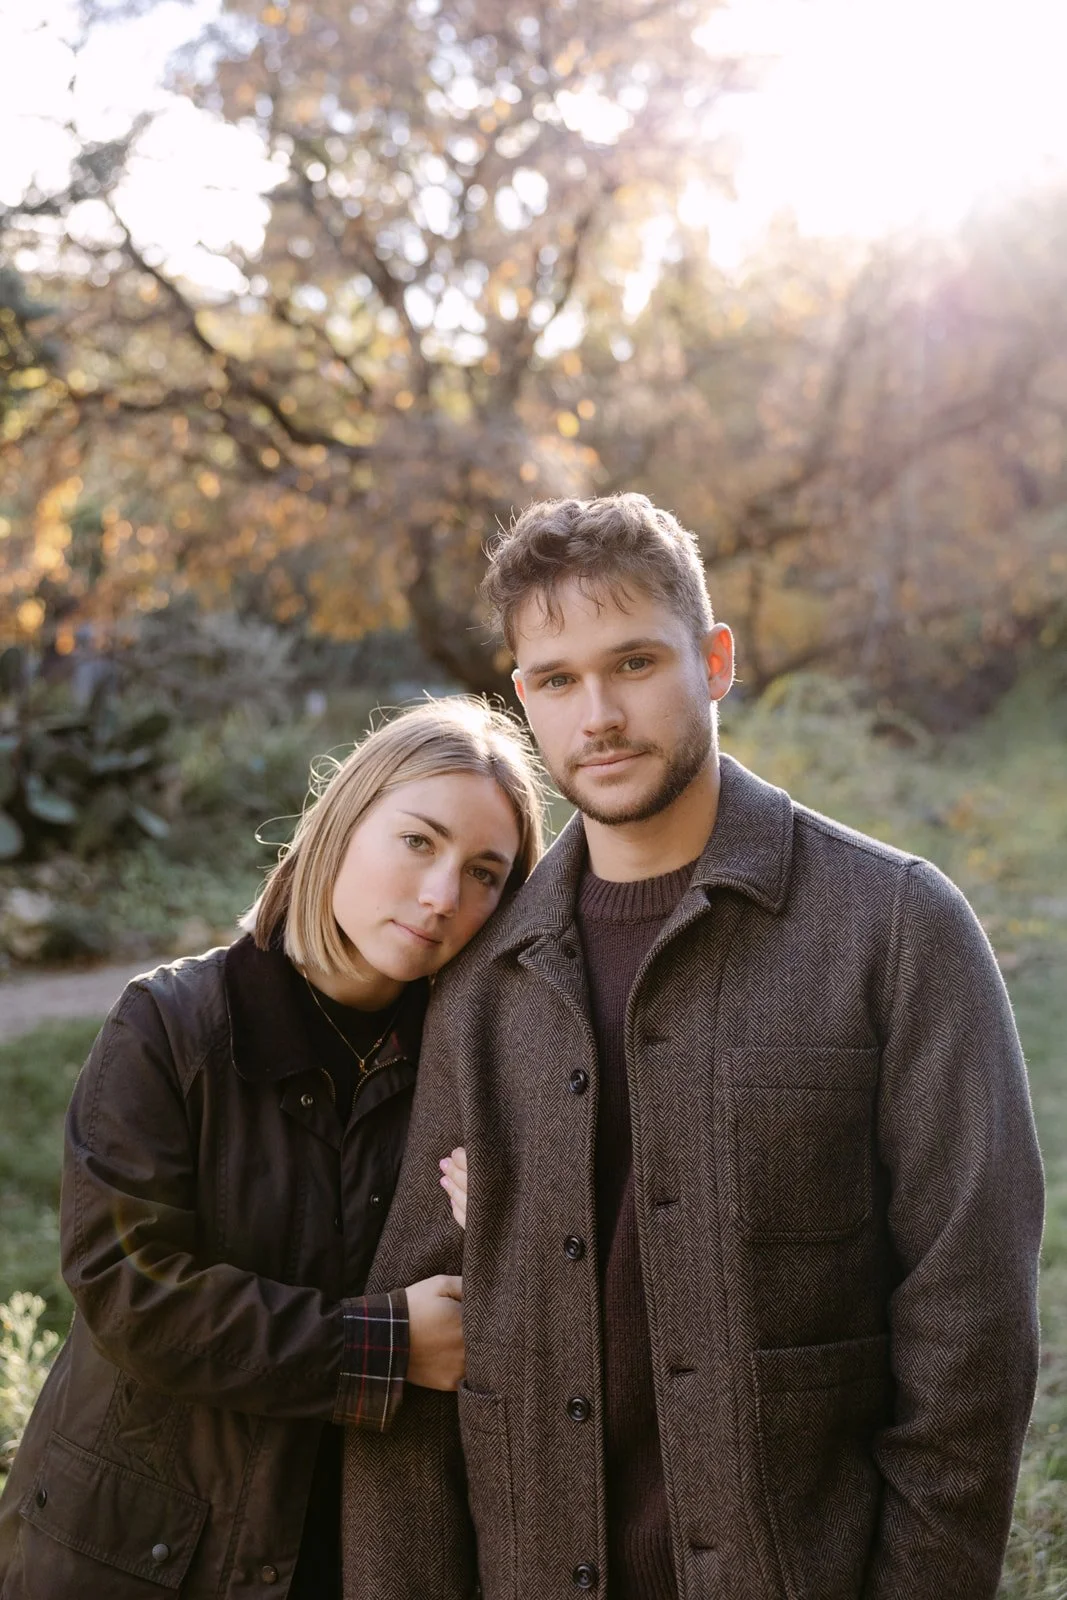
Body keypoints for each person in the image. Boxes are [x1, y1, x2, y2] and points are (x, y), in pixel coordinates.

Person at [343, 493, 1045, 1600]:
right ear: (523, 698)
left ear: (713, 662)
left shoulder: (896, 929)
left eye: (633, 662)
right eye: (556, 680)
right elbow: (425, 1356)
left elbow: (971, 1327)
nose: (598, 715)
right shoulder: (484, 981)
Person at [0, 697, 544, 1600]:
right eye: (418, 841)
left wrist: (516, 1221)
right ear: (343, 824)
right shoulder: (170, 1026)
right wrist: (385, 1346)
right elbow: (129, 1290)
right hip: (133, 1553)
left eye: (484, 873)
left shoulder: (479, 1073)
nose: (442, 895)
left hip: (339, 1554)